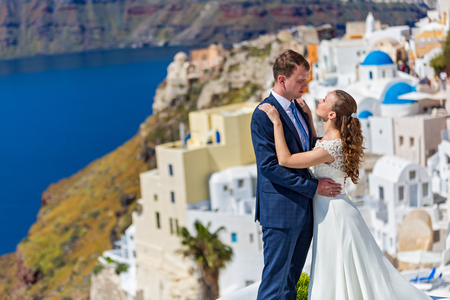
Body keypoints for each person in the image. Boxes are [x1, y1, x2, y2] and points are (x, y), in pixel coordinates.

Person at [258, 90, 432, 300]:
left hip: (335, 216)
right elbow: (316, 143)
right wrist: (310, 118)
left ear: (332, 114)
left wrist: (277, 123)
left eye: (324, 100)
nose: (319, 101)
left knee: (336, 270)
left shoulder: (332, 147)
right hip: (331, 211)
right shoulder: (329, 141)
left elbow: (285, 160)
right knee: (341, 271)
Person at [250, 50, 341, 300]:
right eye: (300, 80)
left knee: (289, 282)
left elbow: (308, 149)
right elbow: (269, 167)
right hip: (280, 211)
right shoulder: (263, 115)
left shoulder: (300, 108)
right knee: (274, 285)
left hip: (304, 211)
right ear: (282, 80)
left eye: (307, 79)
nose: (305, 85)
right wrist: (314, 188)